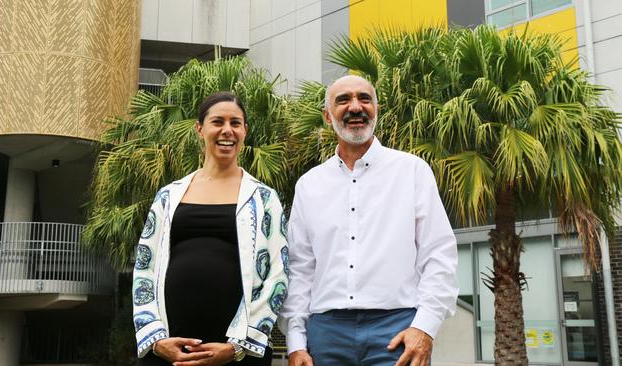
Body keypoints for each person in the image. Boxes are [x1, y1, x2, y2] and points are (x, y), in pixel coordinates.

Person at [280, 75, 458, 366]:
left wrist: (424, 327)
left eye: (364, 98)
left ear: (377, 109)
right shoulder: (309, 185)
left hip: (397, 329)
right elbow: (301, 269)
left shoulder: (412, 171)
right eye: (343, 100)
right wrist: (296, 343)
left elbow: (438, 254)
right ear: (327, 116)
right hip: (326, 334)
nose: (355, 107)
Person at [132, 91, 289, 366]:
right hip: (170, 351)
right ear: (200, 129)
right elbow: (145, 268)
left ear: (245, 131)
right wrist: (156, 340)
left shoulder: (264, 199)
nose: (227, 130)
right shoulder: (168, 197)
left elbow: (278, 275)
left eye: (235, 123)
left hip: (239, 355)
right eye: (218, 121)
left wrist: (238, 346)